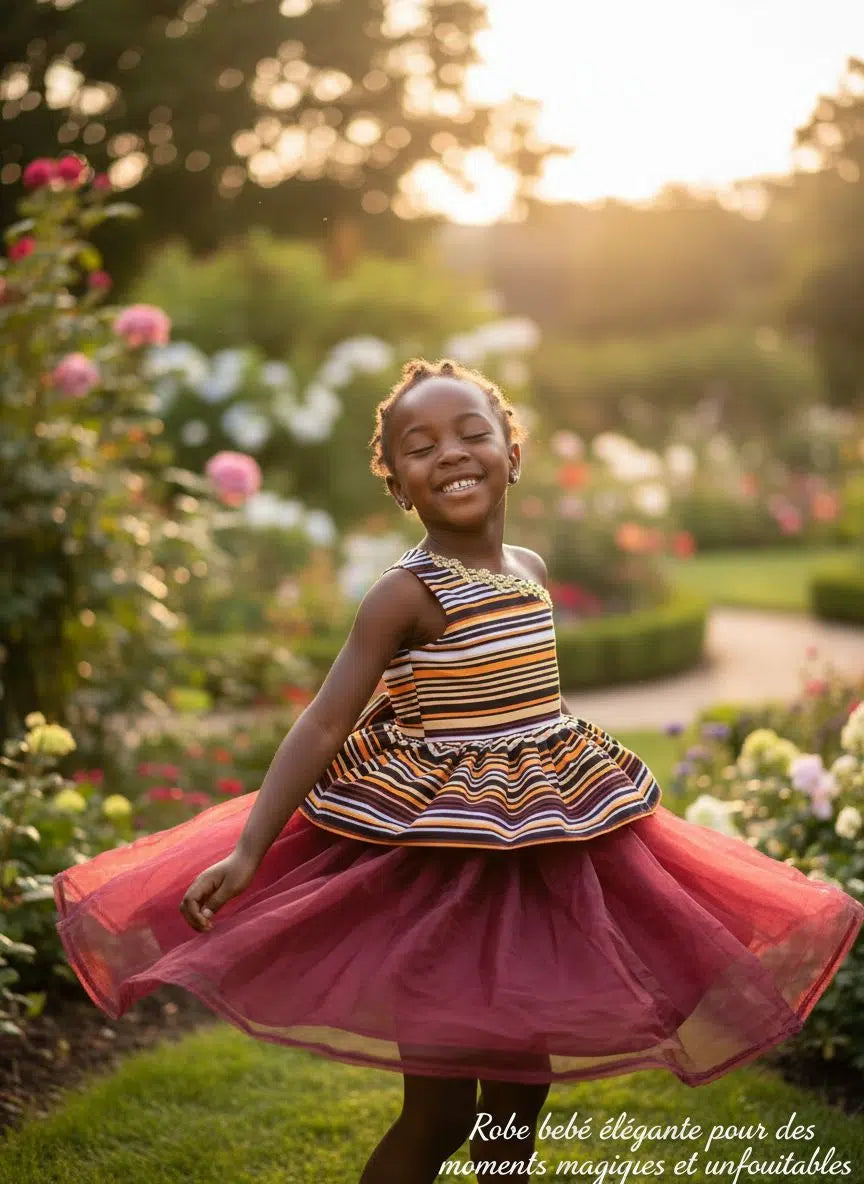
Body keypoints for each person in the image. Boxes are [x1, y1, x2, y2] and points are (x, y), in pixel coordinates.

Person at [54, 357, 864, 1183]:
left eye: (472, 433)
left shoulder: (532, 570)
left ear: (513, 453)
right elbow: (327, 718)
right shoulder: (403, 595)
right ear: (399, 485)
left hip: (536, 856)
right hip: (440, 872)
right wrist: (251, 847)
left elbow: (523, 699)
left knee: (522, 1091)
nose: (449, 453)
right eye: (420, 445)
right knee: (438, 1108)